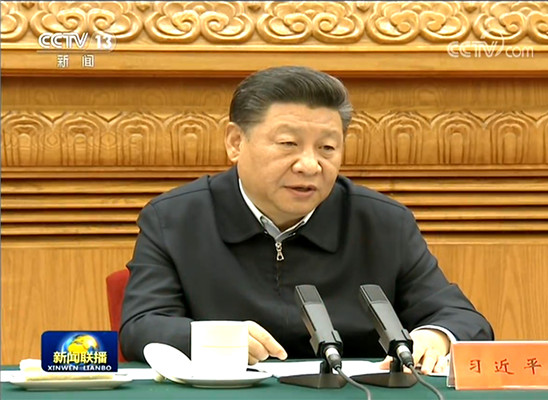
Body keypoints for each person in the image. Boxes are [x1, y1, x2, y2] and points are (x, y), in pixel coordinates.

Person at [120, 66, 493, 374]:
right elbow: (141, 326)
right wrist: (213, 338)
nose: (310, 165)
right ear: (235, 142)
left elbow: (462, 318)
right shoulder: (175, 219)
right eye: (288, 144)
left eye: (327, 148)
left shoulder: (382, 223)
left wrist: (436, 336)